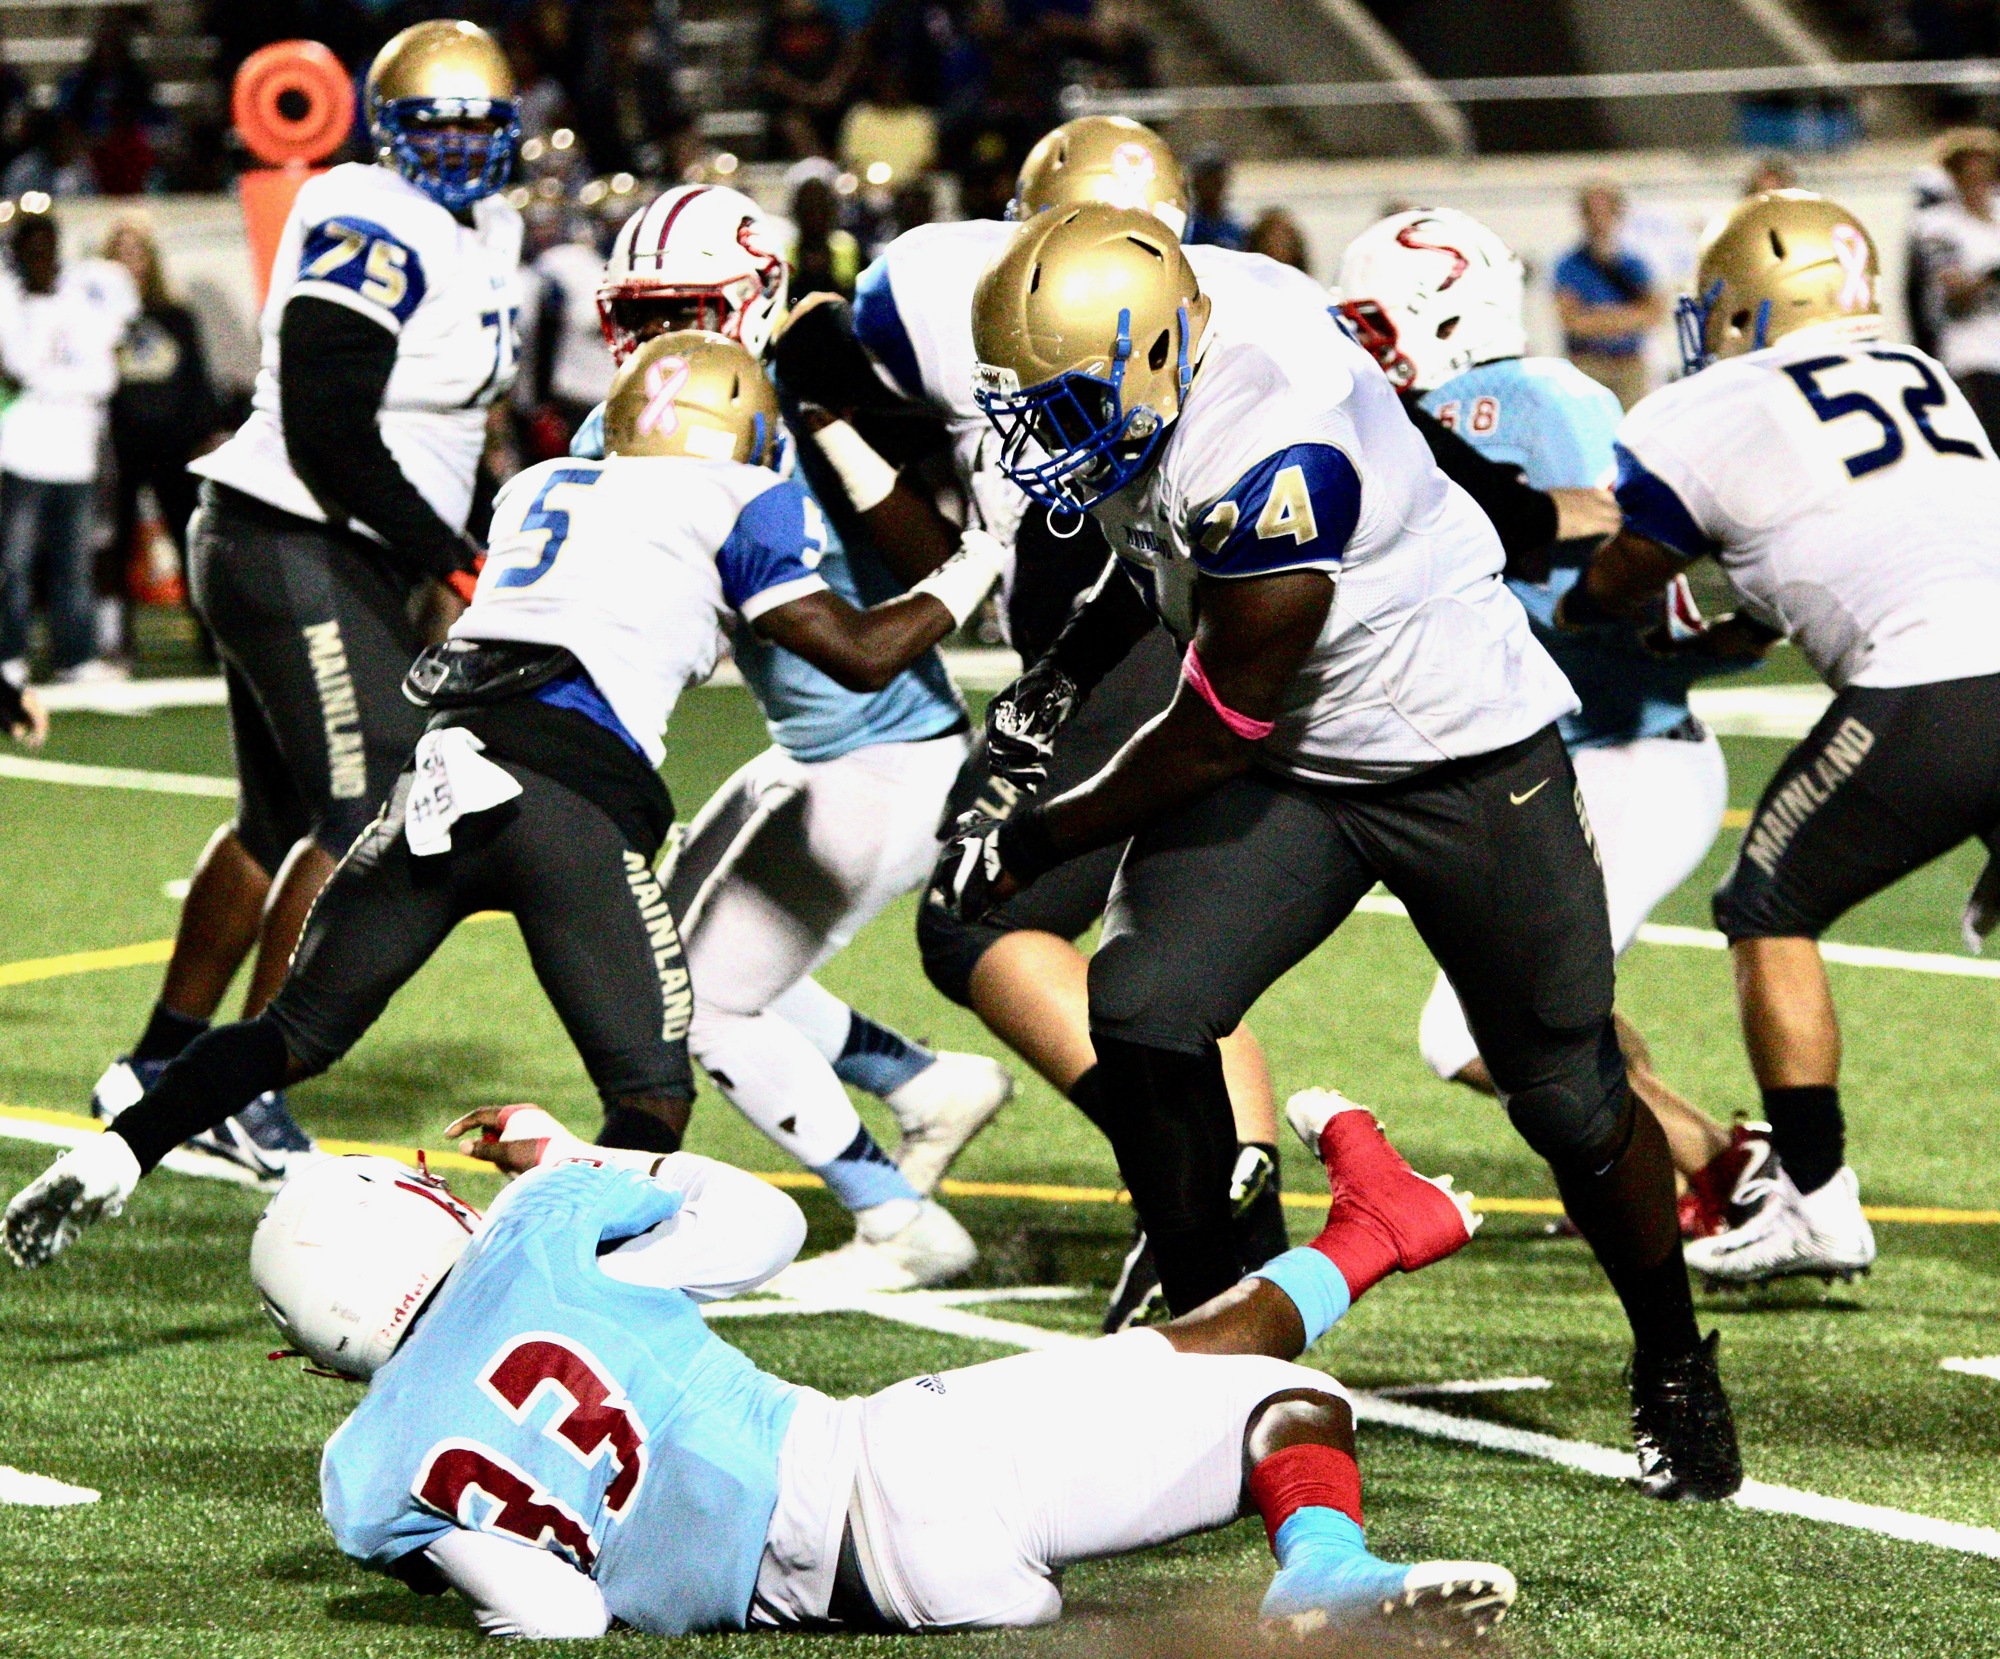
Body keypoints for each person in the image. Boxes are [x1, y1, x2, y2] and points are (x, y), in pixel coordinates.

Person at [935, 203, 1744, 1500]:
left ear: (1154, 357)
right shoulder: (1220, 293)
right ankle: (1213, 1361)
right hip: (1298, 759)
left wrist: (1032, 833)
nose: (1051, 431)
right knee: (1145, 1002)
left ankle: (1672, 1355)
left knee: (1567, 1092)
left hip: (1454, 749)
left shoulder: (1267, 450)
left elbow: (1210, 727)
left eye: (1073, 400)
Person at [3, 330, 1007, 1274]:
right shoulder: (738, 492)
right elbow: (860, 655)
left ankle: (117, 1154)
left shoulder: (538, 483)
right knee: (648, 1099)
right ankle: (543, 1292)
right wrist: (972, 563)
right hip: (565, 803)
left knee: (291, 1034)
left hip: (443, 774)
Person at [249, 1090, 1509, 1643]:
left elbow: (564, 1618)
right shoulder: (532, 1234)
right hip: (888, 1466)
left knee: (1152, 1364)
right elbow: (768, 1228)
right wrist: (588, 1162)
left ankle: (1370, 1233)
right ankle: (1322, 1571)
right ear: (415, 1214)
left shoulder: (363, 1472)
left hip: (891, 1601)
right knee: (1290, 1406)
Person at [773, 117, 1295, 1328]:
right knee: (1173, 946)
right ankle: (1245, 1219)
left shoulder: (943, 283)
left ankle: (1192, 1194)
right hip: (1240, 646)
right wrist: (843, 421)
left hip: (1132, 642)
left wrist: (829, 404)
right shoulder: (1244, 300)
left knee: (977, 917)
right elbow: (973, 551)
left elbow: (978, 545)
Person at [82, 19, 524, 1179]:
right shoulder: (371, 213)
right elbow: (330, 425)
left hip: (322, 546)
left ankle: (160, 1063)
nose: (471, 145)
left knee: (279, 825)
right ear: (392, 131)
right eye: (445, 124)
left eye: (487, 121)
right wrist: (453, 555)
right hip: (298, 536)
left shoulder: (477, 226)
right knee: (367, 809)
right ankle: (245, 1090)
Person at [1562, 189, 2000, 1287]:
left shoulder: (1698, 411)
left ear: (1745, 307)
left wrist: (1586, 612)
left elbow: (1627, 570)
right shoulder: (1919, 369)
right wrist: (1749, 619)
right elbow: (1859, 522)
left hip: (1934, 679)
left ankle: (1813, 1202)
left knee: (1766, 903)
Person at [585, 182, 1013, 1293]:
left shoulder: (783, 415)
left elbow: (902, 580)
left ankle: (894, 1219)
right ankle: (922, 1084)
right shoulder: (658, 420)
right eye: (637, 314)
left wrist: (837, 424)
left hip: (887, 750)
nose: (654, 341)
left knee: (705, 1007)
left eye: (680, 309)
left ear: (749, 302)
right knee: (675, 964)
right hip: (826, 745)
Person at [1336, 207, 1777, 1241]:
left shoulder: (1531, 396)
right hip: (1555, 763)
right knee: (1551, 1007)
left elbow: (1630, 537)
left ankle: (1725, 1167)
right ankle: (1652, 1167)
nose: (1356, 343)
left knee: (1465, 1030)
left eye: (1370, 319)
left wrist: (1671, 615)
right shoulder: (1397, 417)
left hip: (1623, 756)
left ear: (1438, 313)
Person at [0, 203, 136, 684]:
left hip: (76, 454)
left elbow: (104, 377)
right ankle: (7, 656)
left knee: (74, 565)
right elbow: (17, 363)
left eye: (48, 251)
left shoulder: (82, 302)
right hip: (19, 452)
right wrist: (57, 379)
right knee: (11, 564)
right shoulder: (7, 302)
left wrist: (44, 382)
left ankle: (75, 657)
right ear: (15, 254)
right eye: (31, 251)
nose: (42, 260)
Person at [103, 214, 224, 657]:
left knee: (189, 537)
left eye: (136, 253)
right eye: (120, 253)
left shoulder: (175, 317)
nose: (129, 263)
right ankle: (113, 639)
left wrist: (204, 433)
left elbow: (196, 380)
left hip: (173, 445)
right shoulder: (97, 316)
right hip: (121, 446)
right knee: (113, 543)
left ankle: (211, 639)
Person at [1910, 126, 2000, 444]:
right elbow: (1955, 297)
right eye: (1967, 172)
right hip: (1972, 353)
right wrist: (1991, 277)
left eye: (1983, 170)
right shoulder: (1939, 225)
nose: (1977, 180)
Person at [1553, 181, 1664, 410]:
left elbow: (1654, 313)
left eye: (1605, 212)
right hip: (1588, 364)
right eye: (1592, 213)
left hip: (1628, 365)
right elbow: (1572, 320)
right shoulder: (1569, 265)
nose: (1599, 220)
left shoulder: (1633, 264)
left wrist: (1599, 319)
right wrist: (1626, 318)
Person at [1184, 145, 1247, 249]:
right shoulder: (1185, 226)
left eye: (1215, 179)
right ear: (1195, 183)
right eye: (1204, 179)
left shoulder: (1236, 229)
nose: (1210, 186)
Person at [1247, 206, 1309, 271]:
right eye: (1270, 241)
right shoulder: (1244, 277)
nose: (1277, 247)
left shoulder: (1302, 280)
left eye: (1284, 242)